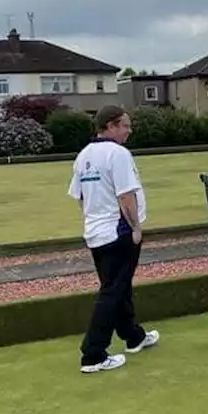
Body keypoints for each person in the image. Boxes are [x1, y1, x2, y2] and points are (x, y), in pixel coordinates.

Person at [67, 105, 159, 374]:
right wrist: (136, 227)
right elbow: (125, 195)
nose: (129, 131)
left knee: (118, 286)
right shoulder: (118, 154)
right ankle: (93, 353)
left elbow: (81, 197)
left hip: (96, 233)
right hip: (118, 232)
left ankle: (134, 336)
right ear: (111, 125)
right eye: (125, 126)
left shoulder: (83, 155)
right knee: (113, 290)